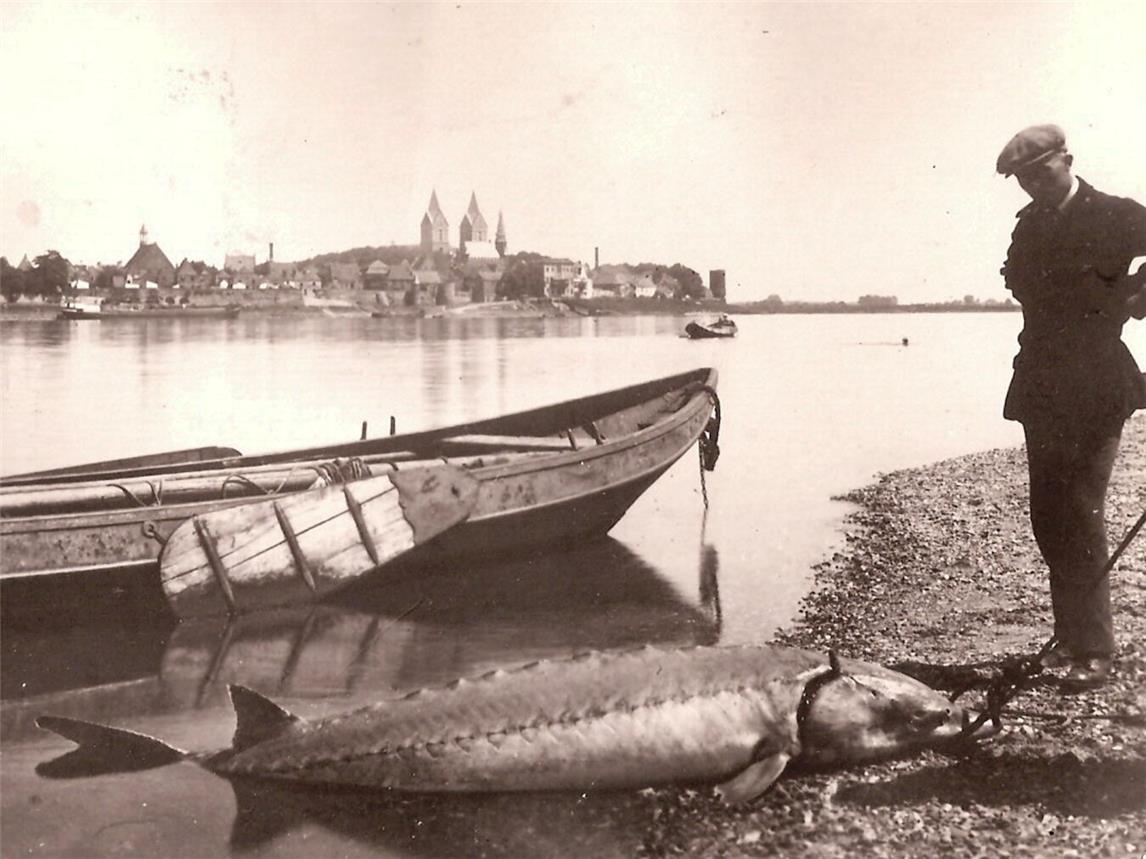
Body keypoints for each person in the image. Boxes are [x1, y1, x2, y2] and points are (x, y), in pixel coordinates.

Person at [996, 124, 1146, 688]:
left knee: (1081, 511)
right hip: (1042, 383)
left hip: (1098, 382)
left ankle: (1097, 651)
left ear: (1068, 160)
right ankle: (1070, 639)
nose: (1033, 184)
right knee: (1050, 517)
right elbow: (1023, 284)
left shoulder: (1115, 212)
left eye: (1042, 171)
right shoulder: (1030, 227)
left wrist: (1138, 298)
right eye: (1023, 178)